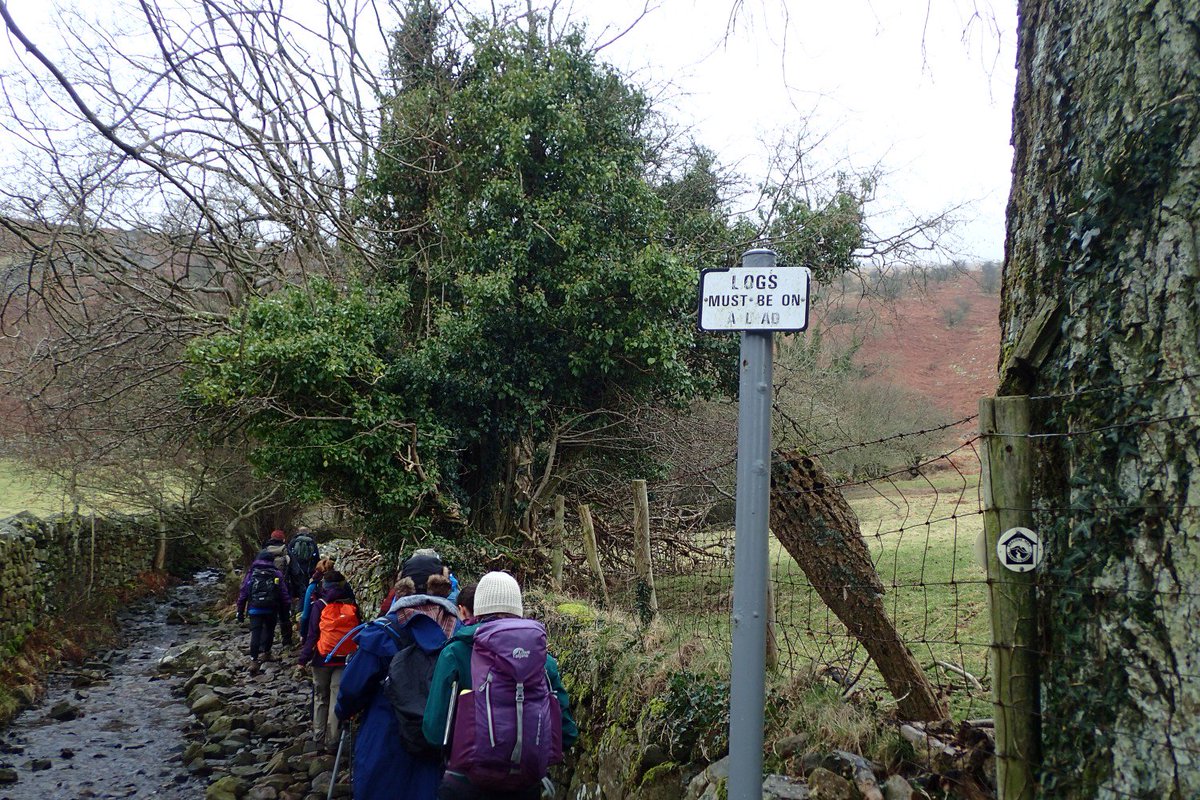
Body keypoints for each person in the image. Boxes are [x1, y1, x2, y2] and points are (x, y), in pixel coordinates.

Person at [423, 571, 578, 800]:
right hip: (525, 786)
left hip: (467, 784)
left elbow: (435, 732)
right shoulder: (543, 661)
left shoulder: (455, 653)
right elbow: (566, 733)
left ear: (480, 607)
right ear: (517, 607)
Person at [336, 551, 460, 800]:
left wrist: (343, 711)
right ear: (444, 587)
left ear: (402, 587)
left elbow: (351, 689)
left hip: (385, 739)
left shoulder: (383, 631)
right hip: (439, 743)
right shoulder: (458, 633)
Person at [298, 570, 360, 749]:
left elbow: (312, 635)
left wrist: (303, 660)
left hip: (322, 658)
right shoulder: (351, 604)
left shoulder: (320, 604)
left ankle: (318, 738)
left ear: (324, 585)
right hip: (343, 659)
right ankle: (332, 742)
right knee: (335, 699)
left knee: (320, 698)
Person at [236, 548, 292, 667]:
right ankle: (267, 653)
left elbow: (243, 593)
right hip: (271, 608)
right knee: (269, 631)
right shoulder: (276, 573)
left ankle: (254, 660)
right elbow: (283, 593)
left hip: (254, 608)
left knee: (256, 633)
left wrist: (240, 612)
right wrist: (287, 608)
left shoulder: (251, 572)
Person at [264, 530, 294, 648]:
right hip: (283, 587)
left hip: (267, 590)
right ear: (283, 539)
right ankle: (286, 641)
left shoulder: (264, 551)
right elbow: (294, 571)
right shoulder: (286, 551)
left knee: (268, 617)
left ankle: (266, 646)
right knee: (284, 615)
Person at [299, 557, 336, 635]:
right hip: (338, 627)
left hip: (318, 628)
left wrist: (303, 634)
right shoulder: (340, 585)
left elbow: (305, 616)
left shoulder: (313, 586)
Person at [287, 527, 321, 602]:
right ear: (307, 532)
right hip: (309, 570)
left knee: (297, 588)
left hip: (296, 570)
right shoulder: (312, 542)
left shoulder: (293, 541)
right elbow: (317, 557)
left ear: (298, 532)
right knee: (307, 588)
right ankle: (307, 602)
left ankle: (296, 606)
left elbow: (288, 555)